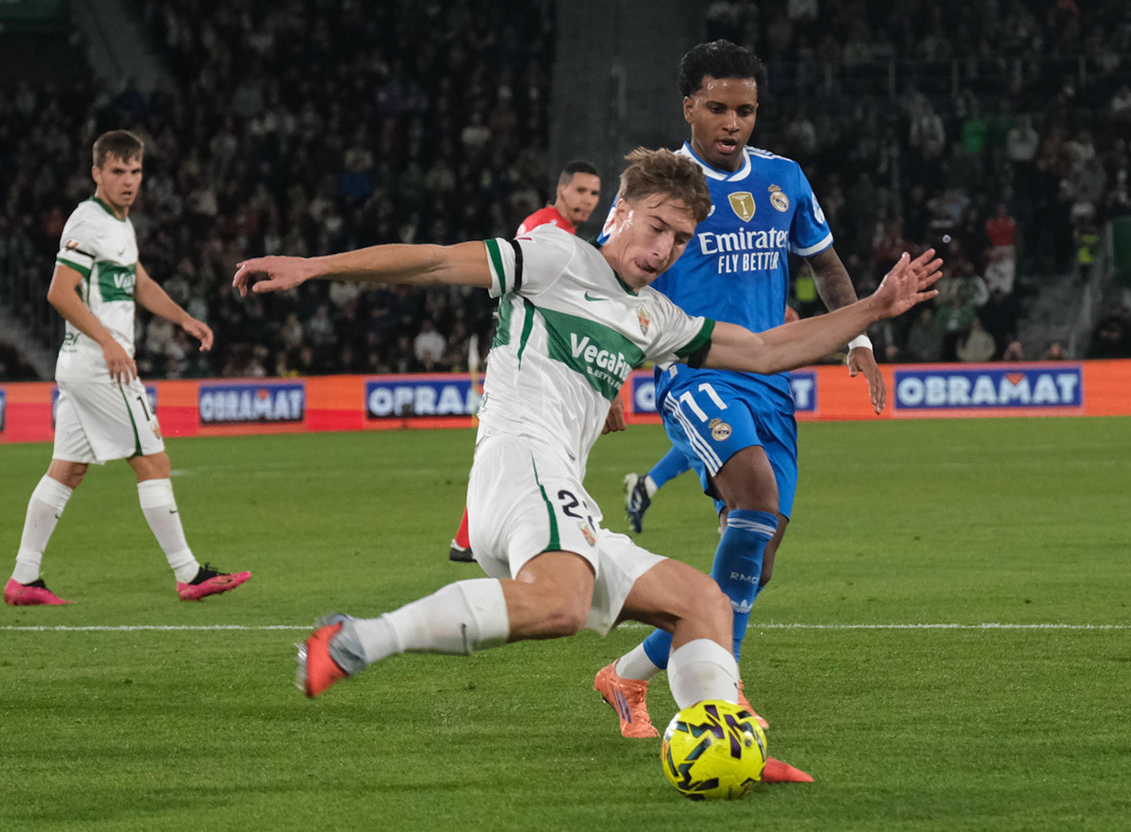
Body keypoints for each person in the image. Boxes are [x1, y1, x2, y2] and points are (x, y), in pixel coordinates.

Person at [232, 148, 940, 784]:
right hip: (519, 464)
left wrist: (875, 308)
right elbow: (436, 261)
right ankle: (356, 639)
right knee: (562, 604)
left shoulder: (653, 316)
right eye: (657, 227)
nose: (665, 249)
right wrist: (316, 267)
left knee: (703, 604)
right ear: (621, 211)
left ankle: (730, 744)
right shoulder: (552, 255)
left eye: (682, 240)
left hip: (558, 490)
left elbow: (761, 352)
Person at [598, 40, 885, 738]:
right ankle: (721, 694)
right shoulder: (654, 189)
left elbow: (827, 268)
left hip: (771, 381)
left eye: (746, 110)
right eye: (719, 108)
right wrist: (605, 375)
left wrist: (859, 340)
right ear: (689, 106)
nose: (733, 123)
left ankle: (626, 676)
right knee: (754, 496)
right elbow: (607, 282)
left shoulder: (785, 179)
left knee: (756, 560)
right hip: (694, 374)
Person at [5, 130, 251, 606]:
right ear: (97, 173)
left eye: (135, 171)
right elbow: (58, 292)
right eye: (117, 171)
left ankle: (24, 578)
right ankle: (189, 573)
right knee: (154, 460)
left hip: (84, 365)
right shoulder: (88, 220)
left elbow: (139, 283)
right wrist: (108, 343)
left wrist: (183, 319)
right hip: (100, 365)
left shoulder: (121, 224)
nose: (128, 180)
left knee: (68, 470)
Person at [449, 160, 603, 563]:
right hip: (527, 356)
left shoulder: (563, 234)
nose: (588, 200)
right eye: (582, 191)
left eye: (595, 194)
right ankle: (481, 536)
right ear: (562, 189)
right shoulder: (543, 228)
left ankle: (468, 539)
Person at [623, 305, 798, 534]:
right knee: (728, 448)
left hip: (748, 369)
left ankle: (647, 485)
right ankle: (649, 486)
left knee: (723, 440)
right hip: (697, 365)